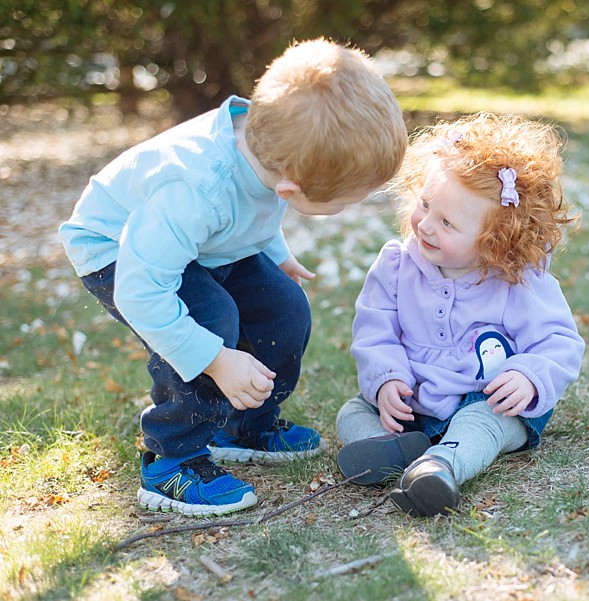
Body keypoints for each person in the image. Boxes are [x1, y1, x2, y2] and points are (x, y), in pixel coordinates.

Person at [58, 39, 408, 517]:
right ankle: (170, 458)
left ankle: (242, 424)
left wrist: (276, 252)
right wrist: (216, 359)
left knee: (283, 305)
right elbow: (142, 293)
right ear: (293, 186)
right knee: (210, 320)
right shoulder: (196, 187)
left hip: (195, 242)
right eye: (343, 202)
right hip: (119, 251)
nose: (347, 208)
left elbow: (255, 204)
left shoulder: (270, 147)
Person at [335, 112, 584, 517]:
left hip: (484, 397)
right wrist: (387, 382)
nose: (426, 226)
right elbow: (374, 332)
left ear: (494, 241)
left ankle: (441, 467)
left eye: (447, 222)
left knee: (485, 424)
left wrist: (528, 375)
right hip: (414, 399)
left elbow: (558, 341)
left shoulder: (516, 282)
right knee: (353, 411)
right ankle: (389, 449)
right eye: (425, 204)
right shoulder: (396, 267)